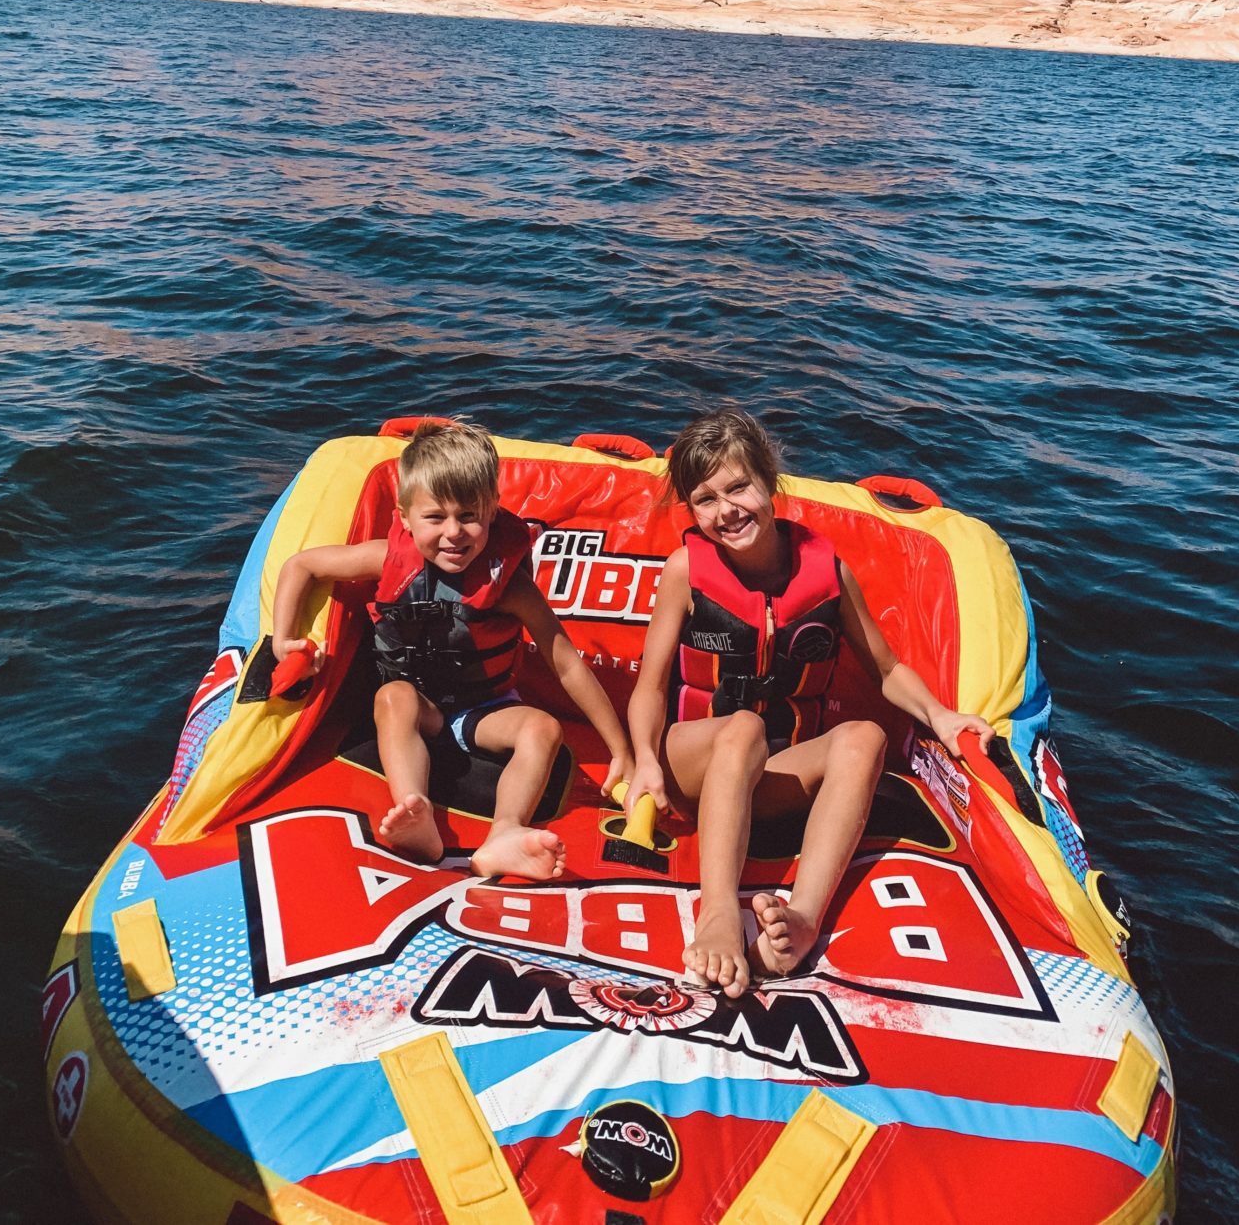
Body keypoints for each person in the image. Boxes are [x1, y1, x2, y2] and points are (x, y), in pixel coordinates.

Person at [626, 406, 993, 998]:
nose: (726, 511)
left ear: (769, 481)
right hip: (694, 766)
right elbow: (650, 685)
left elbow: (886, 669)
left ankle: (800, 922)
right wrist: (644, 760)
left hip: (774, 775)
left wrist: (941, 717)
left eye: (738, 487)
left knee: (865, 737)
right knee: (741, 728)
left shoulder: (829, 574)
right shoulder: (684, 571)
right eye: (705, 500)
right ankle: (718, 914)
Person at [272, 419, 633, 879]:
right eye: (435, 518)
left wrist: (620, 749)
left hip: (483, 711)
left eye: (468, 516)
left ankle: (506, 832)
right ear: (405, 517)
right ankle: (416, 811)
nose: (453, 533)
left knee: (542, 728)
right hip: (417, 706)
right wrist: (283, 639)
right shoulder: (385, 559)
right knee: (393, 698)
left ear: (492, 512)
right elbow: (301, 566)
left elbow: (566, 662)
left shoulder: (510, 588)